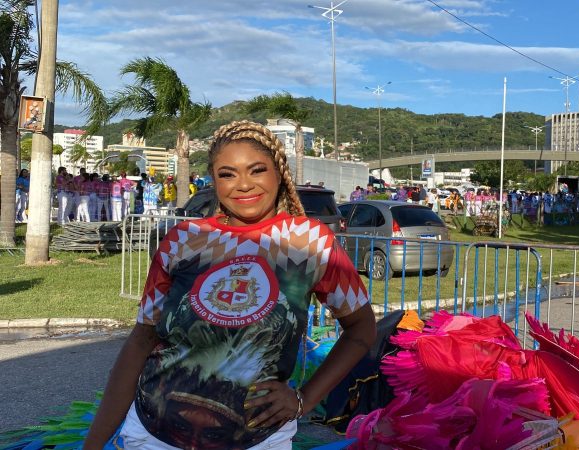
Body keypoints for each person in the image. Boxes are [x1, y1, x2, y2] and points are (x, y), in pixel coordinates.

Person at [85, 120, 376, 450]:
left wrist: (303, 400)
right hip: (152, 436)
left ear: (279, 173)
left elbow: (362, 330)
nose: (243, 185)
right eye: (227, 173)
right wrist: (93, 443)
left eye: (257, 170)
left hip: (258, 439)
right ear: (213, 179)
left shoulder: (310, 242)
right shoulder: (182, 240)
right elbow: (142, 340)